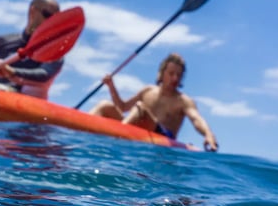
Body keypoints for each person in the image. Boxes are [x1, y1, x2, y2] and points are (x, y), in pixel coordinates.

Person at [89, 53, 219, 151]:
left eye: (179, 75)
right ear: (162, 73)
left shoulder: (183, 101)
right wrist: (111, 86)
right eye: (171, 73)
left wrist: (208, 134)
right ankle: (76, 138)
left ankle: (113, 144)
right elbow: (123, 107)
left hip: (163, 139)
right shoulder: (148, 91)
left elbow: (196, 119)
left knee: (140, 108)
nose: (175, 78)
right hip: (137, 129)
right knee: (104, 105)